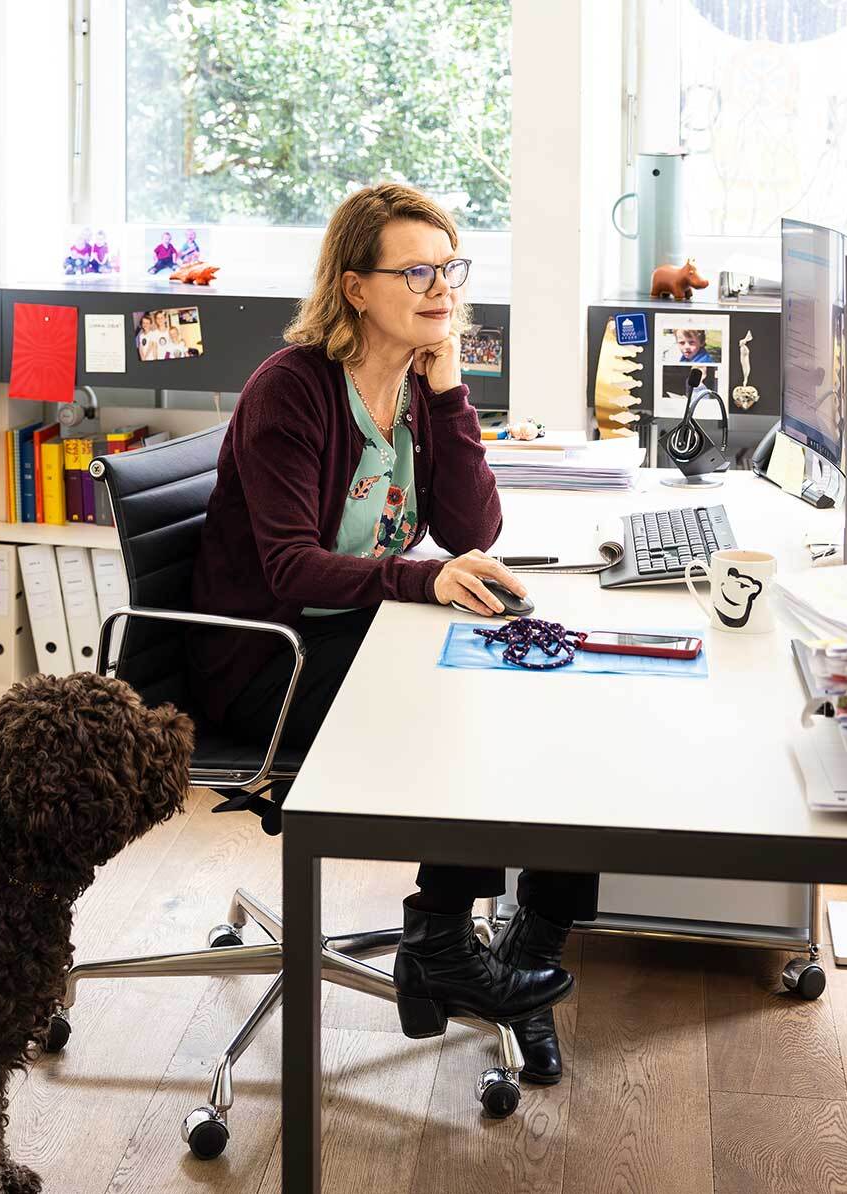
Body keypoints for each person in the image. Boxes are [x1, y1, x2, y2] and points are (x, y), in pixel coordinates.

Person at [188, 182, 596, 1083]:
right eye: (414, 270)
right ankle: (444, 942)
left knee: (553, 686)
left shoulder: (415, 383)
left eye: (449, 268)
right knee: (473, 703)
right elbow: (291, 566)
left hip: (357, 631)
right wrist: (425, 578)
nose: (439, 287)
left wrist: (451, 393)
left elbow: (472, 528)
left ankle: (528, 939)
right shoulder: (292, 391)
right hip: (270, 657)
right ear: (353, 286)